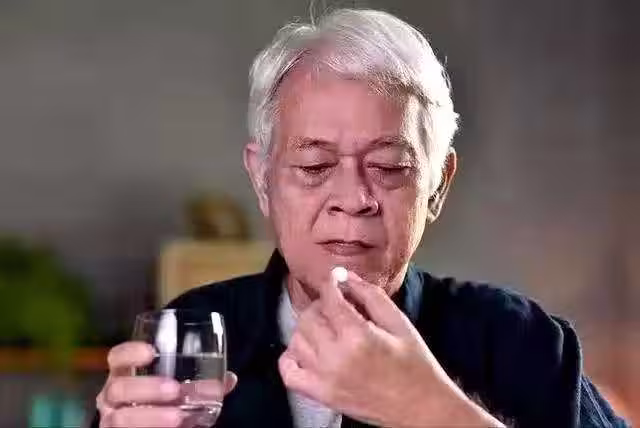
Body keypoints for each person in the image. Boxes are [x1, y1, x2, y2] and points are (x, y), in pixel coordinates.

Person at [92, 8, 628, 428]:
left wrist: (434, 412)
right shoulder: (191, 334)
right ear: (261, 178)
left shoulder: (522, 343)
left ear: (438, 184)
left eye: (389, 167)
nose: (353, 198)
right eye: (315, 166)